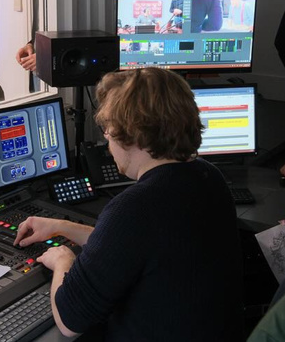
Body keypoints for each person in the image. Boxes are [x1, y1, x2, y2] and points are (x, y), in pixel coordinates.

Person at [14, 67, 244, 341]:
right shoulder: (207, 175)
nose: (106, 138)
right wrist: (62, 226)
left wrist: (63, 259)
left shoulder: (136, 207)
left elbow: (70, 320)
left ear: (133, 134)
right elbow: (137, 247)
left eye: (108, 129)